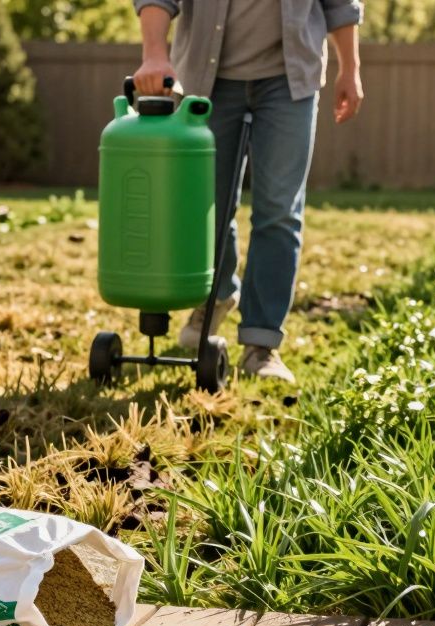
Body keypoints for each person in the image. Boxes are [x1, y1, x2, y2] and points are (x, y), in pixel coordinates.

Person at [130, 0, 364, 384]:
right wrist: (155, 53)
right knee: (207, 205)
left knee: (280, 210)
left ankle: (261, 343)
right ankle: (217, 295)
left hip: (289, 81)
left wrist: (350, 69)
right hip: (208, 79)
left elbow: (339, 3)